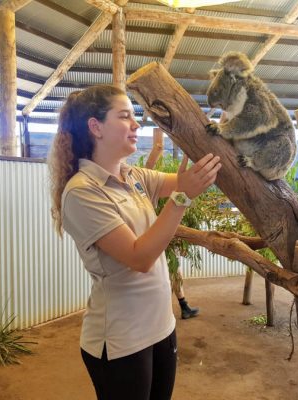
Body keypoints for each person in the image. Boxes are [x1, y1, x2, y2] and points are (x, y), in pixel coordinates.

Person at [48, 84, 221, 400]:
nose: (136, 124)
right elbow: (139, 257)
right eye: (125, 116)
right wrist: (182, 198)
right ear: (95, 127)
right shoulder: (82, 191)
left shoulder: (134, 177)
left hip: (161, 327)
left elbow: (188, 179)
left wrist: (211, 138)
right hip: (120, 341)